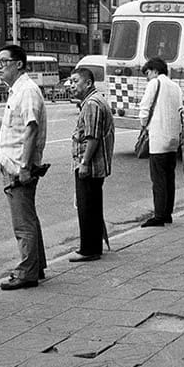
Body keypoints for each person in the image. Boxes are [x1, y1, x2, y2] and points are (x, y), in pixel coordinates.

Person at [0, 44, 48, 290]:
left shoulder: (26, 90)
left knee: (23, 222)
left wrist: (25, 166)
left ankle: (27, 272)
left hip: (19, 166)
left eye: (3, 61)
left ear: (18, 64)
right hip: (15, 163)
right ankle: (36, 266)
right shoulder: (18, 90)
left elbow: (31, 128)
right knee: (29, 218)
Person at [68, 67, 115, 262]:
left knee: (87, 208)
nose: (72, 85)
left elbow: (93, 137)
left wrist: (85, 163)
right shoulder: (93, 101)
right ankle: (93, 246)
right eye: (70, 81)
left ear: (88, 83)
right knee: (92, 206)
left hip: (91, 165)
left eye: (75, 81)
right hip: (95, 165)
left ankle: (88, 249)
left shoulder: (92, 104)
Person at [138, 56, 183, 227]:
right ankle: (167, 213)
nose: (147, 77)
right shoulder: (176, 86)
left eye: (148, 73)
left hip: (158, 138)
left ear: (155, 71)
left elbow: (145, 107)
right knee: (169, 177)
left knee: (158, 179)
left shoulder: (155, 83)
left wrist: (143, 124)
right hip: (173, 138)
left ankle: (159, 215)